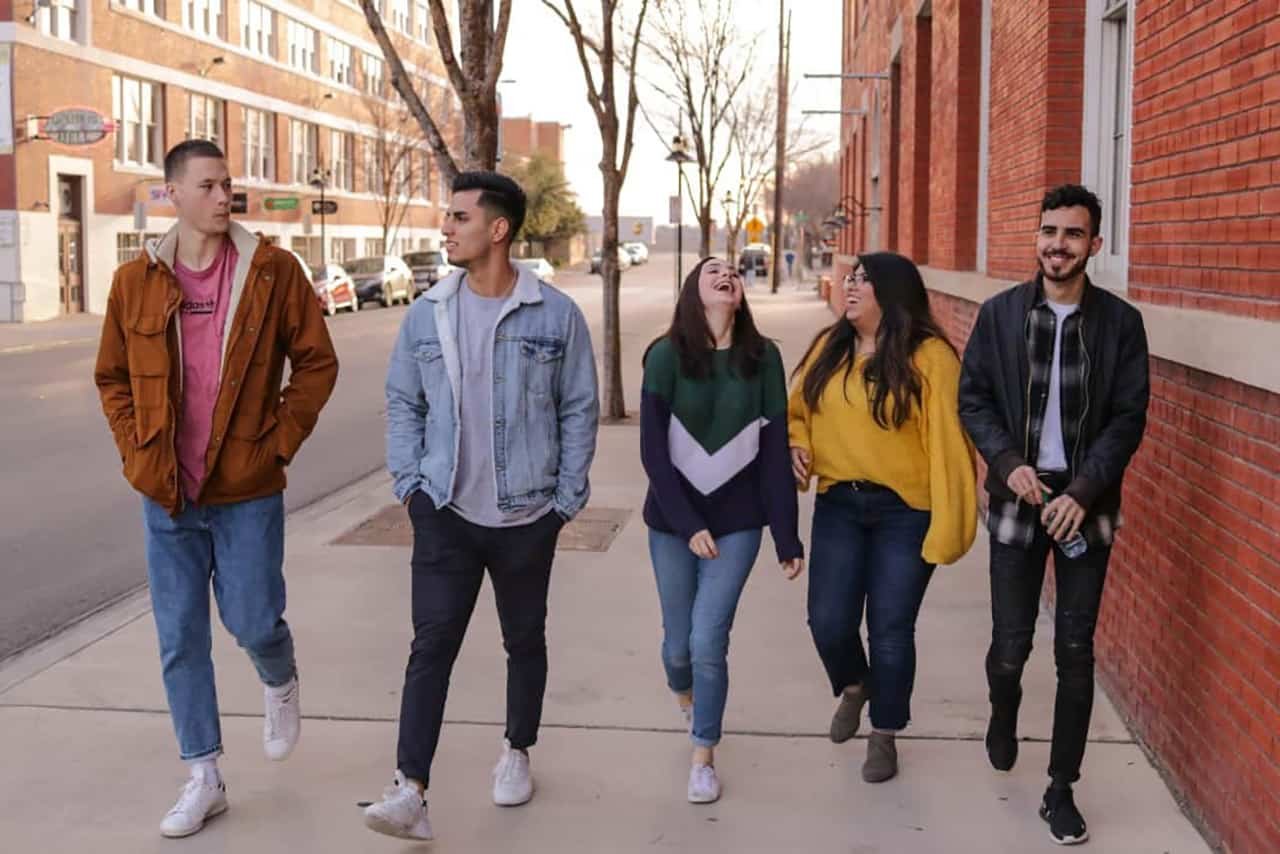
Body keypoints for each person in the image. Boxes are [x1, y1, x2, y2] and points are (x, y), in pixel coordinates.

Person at [93, 140, 339, 838]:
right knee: (179, 636)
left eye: (228, 183)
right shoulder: (135, 281)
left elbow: (317, 363)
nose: (223, 195)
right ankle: (203, 774)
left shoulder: (271, 271)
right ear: (173, 193)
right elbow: (112, 376)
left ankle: (279, 676)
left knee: (254, 619)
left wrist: (279, 441)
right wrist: (136, 449)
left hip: (246, 488)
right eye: (208, 185)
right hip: (167, 492)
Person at [364, 171, 599, 841]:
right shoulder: (427, 311)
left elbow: (579, 405)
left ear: (497, 230)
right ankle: (410, 789)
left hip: (528, 516)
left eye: (459, 217)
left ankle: (517, 750)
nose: (447, 228)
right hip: (444, 512)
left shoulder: (554, 315)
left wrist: (565, 500)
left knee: (523, 639)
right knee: (431, 645)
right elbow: (404, 400)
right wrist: (410, 486)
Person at [959, 184, 1149, 846]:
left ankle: (1060, 789)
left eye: (1071, 234)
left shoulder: (1120, 324)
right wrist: (1006, 460)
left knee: (1075, 650)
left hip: (1083, 507)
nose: (1056, 244)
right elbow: (974, 398)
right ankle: (1002, 710)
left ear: (1093, 245)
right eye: (1048, 231)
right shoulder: (1001, 315)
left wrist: (1085, 490)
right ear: (1036, 237)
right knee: (1010, 645)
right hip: (1018, 499)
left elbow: (1128, 417)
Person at [788, 251, 976, 784]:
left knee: (891, 629)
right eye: (852, 277)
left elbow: (950, 445)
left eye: (864, 281)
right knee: (827, 620)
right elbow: (797, 412)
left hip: (906, 511)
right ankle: (854, 684)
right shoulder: (829, 348)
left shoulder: (931, 357)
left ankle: (885, 733)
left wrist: (951, 523)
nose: (850, 286)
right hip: (839, 503)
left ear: (891, 294)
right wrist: (796, 445)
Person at [640, 257, 805, 804]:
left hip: (737, 524)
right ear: (694, 290)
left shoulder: (764, 359)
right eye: (712, 270)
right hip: (672, 522)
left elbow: (776, 456)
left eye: (734, 270)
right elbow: (654, 456)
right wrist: (688, 527)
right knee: (676, 649)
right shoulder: (665, 357)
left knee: (708, 640)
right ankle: (686, 695)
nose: (726, 273)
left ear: (740, 294)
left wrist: (786, 536)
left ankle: (703, 752)